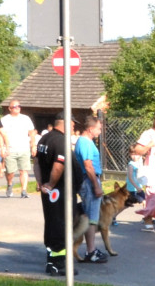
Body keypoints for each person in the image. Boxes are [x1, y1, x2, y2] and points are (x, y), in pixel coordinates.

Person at [34, 112, 83, 276]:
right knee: (61, 224)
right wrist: (51, 183)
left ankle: (51, 261)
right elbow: (59, 165)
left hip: (50, 192)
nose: (74, 126)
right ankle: (58, 264)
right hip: (59, 191)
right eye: (73, 124)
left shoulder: (44, 139)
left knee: (52, 223)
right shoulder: (61, 141)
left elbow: (37, 162)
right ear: (65, 123)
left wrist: (41, 182)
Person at [74, 115, 107, 263]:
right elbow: (88, 166)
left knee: (92, 216)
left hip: (88, 181)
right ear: (90, 129)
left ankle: (91, 249)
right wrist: (96, 185)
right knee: (92, 218)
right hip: (88, 182)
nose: (100, 131)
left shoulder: (84, 142)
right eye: (98, 129)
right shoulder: (85, 143)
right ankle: (91, 251)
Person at [0, 99, 37, 198]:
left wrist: (33, 145)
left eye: (18, 106)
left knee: (23, 170)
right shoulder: (4, 120)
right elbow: (0, 134)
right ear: (9, 108)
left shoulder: (26, 118)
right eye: (14, 107)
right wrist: (2, 148)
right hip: (10, 149)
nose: (17, 108)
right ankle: (9, 184)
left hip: (24, 148)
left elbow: (31, 133)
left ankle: (24, 190)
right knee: (10, 172)